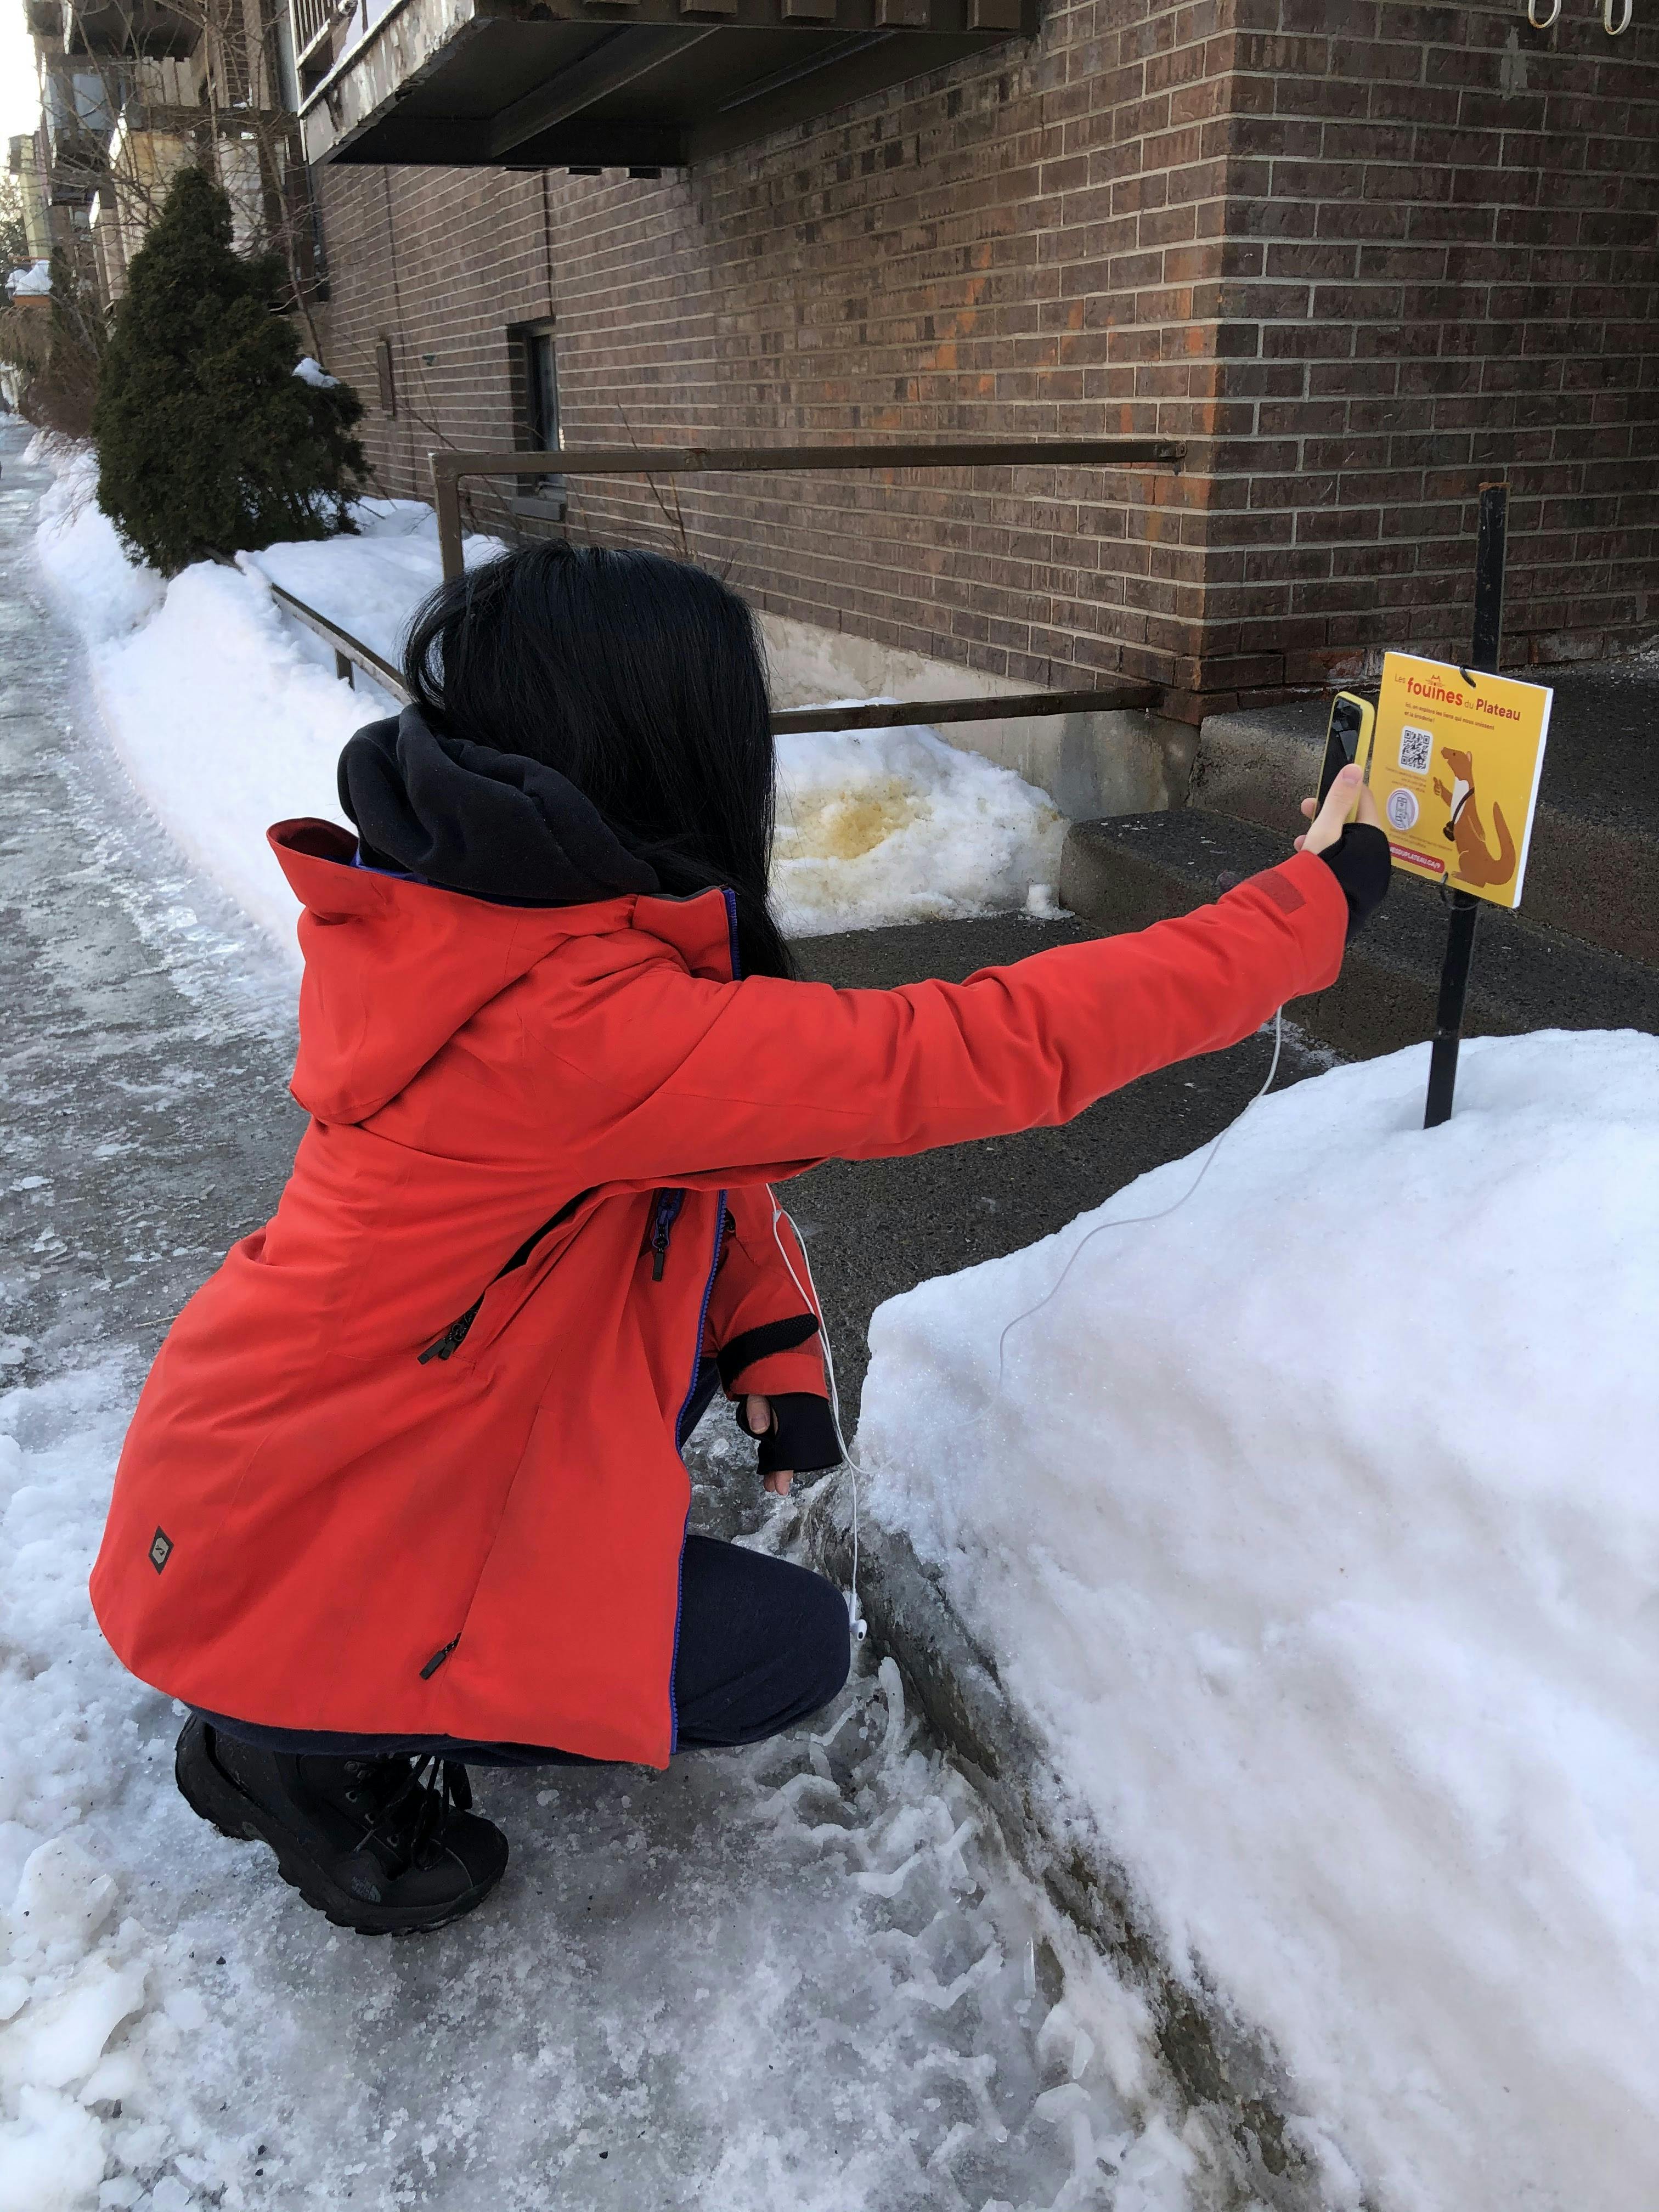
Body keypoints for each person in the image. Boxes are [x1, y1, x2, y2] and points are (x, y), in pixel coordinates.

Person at [89, 543, 1390, 1936]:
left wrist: (770, 1348)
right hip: (287, 1553)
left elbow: (681, 1169)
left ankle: (341, 1679)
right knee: (781, 1656)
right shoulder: (569, 1022)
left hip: (284, 1475)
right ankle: (290, 1750)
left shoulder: (490, 924)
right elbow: (971, 1050)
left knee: (685, 1541)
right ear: (652, 745)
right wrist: (1303, 911)